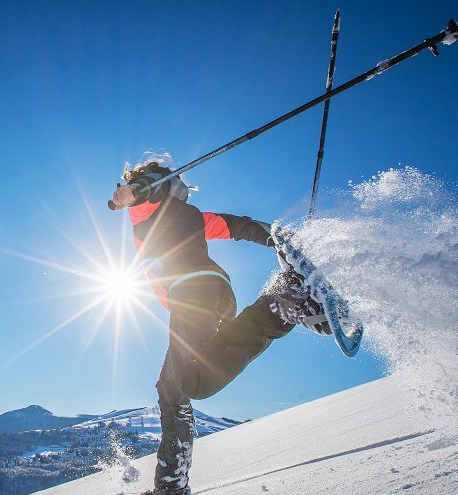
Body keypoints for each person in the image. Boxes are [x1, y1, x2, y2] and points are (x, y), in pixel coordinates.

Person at [109, 153, 326, 495]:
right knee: (171, 391)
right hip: (215, 296)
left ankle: (280, 306)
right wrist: (276, 238)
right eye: (178, 187)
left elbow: (147, 189)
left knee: (193, 381)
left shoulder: (146, 210)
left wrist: (132, 192)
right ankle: (170, 486)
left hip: (193, 294)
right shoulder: (188, 215)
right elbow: (239, 226)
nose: (182, 193)